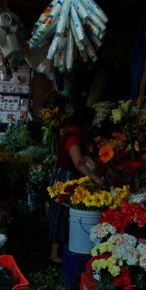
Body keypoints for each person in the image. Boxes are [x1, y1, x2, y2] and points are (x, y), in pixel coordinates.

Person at [47, 103, 102, 264]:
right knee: (61, 214)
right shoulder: (72, 137)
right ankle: (53, 254)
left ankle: (57, 251)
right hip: (66, 178)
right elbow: (78, 162)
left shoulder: (72, 134)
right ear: (85, 122)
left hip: (65, 176)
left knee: (63, 214)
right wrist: (95, 177)